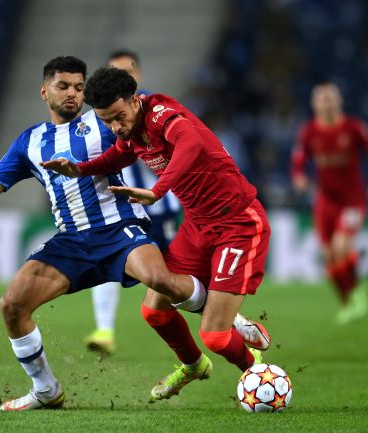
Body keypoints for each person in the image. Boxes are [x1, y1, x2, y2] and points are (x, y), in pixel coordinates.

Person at [0, 56, 210, 411]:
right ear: (44, 91)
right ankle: (46, 390)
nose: (72, 93)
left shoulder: (104, 120)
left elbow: (148, 126)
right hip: (72, 241)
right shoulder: (30, 142)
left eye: (78, 87)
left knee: (161, 280)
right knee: (12, 304)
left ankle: (228, 323)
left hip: (119, 227)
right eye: (63, 86)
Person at [41, 66, 272, 401]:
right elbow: (117, 155)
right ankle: (193, 365)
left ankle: (258, 376)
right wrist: (80, 170)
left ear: (135, 100)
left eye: (119, 117)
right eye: (107, 121)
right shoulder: (131, 132)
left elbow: (190, 142)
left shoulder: (162, 116)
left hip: (237, 223)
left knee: (215, 337)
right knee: (154, 311)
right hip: (197, 225)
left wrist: (158, 190)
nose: (116, 127)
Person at [84, 50, 181, 356]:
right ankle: (104, 330)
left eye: (125, 71)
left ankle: (226, 319)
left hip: (159, 205)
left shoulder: (152, 110)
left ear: (136, 75)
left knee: (172, 277)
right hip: (124, 206)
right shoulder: (103, 116)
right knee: (107, 261)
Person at [291, 82, 368, 324]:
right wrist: (299, 176)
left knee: (341, 246)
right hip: (325, 201)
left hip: (352, 200)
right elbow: (299, 158)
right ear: (314, 104)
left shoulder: (354, 128)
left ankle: (357, 294)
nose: (327, 103)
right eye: (322, 99)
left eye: (331, 98)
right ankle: (347, 302)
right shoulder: (309, 131)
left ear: (339, 101)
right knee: (328, 255)